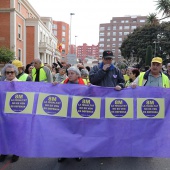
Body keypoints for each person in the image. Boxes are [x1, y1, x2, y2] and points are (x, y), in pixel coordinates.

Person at [0, 64, 20, 163]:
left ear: (15, 73)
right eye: (8, 72)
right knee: (4, 134)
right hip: (4, 115)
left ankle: (16, 152)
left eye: (12, 72)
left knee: (15, 134)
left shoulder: (21, 84)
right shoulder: (1, 85)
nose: (10, 74)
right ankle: (4, 152)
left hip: (17, 115)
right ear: (5, 73)